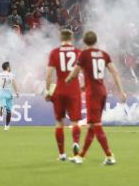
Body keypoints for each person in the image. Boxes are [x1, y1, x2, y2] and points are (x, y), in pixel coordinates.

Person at [69, 30, 127, 165]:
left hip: (92, 94)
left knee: (96, 125)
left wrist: (70, 83)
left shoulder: (84, 55)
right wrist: (121, 91)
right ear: (96, 41)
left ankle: (109, 156)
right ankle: (80, 156)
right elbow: (115, 72)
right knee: (92, 126)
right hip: (102, 92)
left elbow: (75, 73)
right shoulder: (104, 54)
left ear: (84, 41)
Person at [46, 28, 83, 163]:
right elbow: (84, 72)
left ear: (61, 39)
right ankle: (75, 142)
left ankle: (62, 154)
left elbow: (49, 75)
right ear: (71, 39)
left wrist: (48, 91)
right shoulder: (78, 52)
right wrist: (84, 86)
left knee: (59, 123)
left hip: (60, 89)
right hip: (74, 89)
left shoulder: (55, 53)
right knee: (75, 122)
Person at [0, 61, 19, 131]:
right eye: (10, 66)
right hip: (8, 93)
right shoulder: (11, 75)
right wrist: (16, 92)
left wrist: (0, 90)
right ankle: (6, 126)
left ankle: (1, 107)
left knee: (1, 103)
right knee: (9, 111)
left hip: (1, 93)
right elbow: (14, 83)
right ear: (7, 67)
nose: (10, 67)